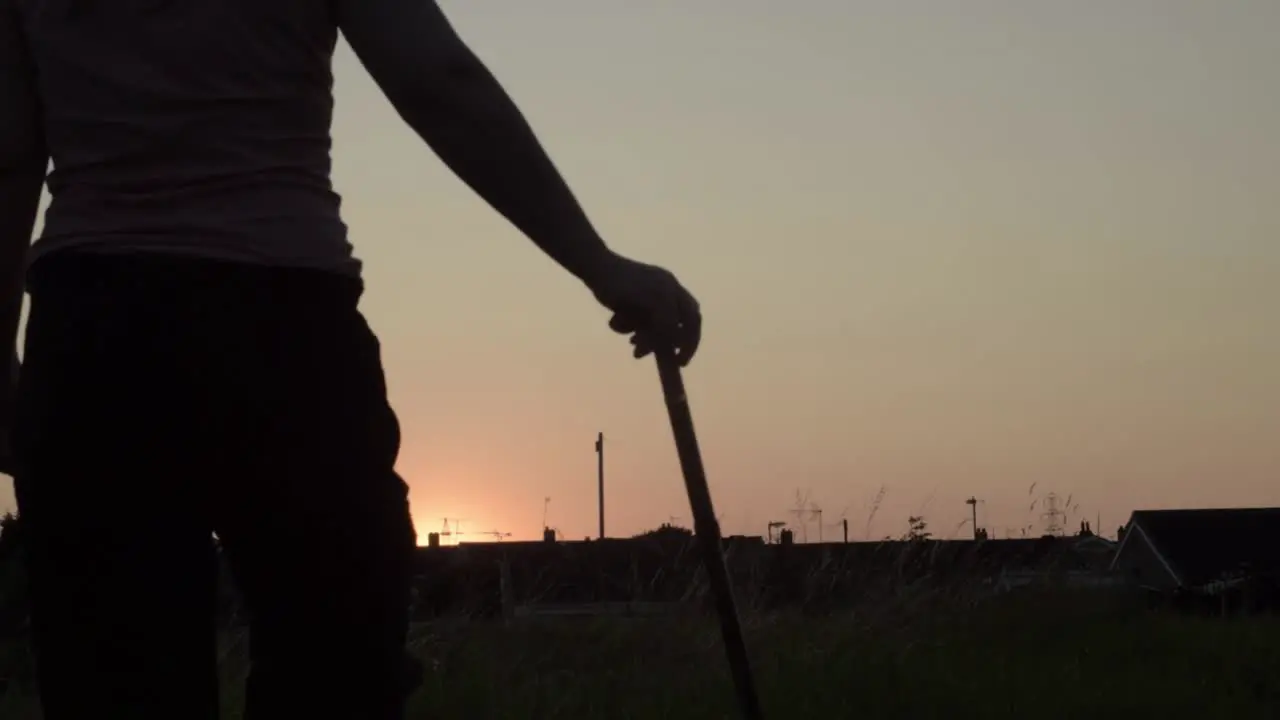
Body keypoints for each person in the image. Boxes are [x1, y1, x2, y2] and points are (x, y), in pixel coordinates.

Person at [0, 0, 701, 717]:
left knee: (114, 684)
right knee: (335, 675)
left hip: (96, 340)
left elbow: (11, 151)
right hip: (283, 333)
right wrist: (596, 263)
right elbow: (437, 82)